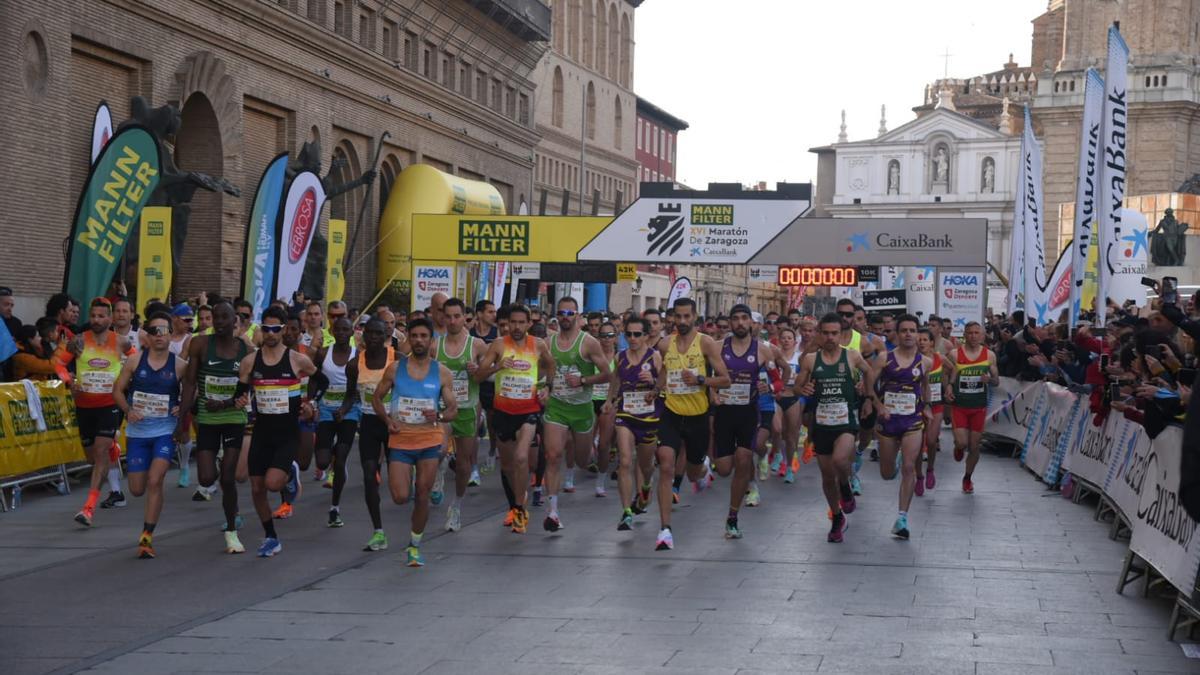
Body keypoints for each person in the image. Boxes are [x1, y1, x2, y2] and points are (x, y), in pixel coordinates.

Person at [371, 318, 457, 567]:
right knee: (400, 496)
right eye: (415, 336)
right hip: (401, 439)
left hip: (429, 439)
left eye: (424, 336)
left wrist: (439, 415)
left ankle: (415, 544)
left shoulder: (441, 372)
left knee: (422, 493)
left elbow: (453, 409)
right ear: (408, 337)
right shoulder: (395, 369)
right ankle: (413, 528)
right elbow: (377, 398)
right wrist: (387, 421)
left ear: (431, 340)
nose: (419, 340)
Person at [236, 306, 317, 557]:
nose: (270, 334)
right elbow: (240, 392)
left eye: (275, 329)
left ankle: (289, 474)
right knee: (257, 488)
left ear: (283, 330)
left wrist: (310, 404)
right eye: (266, 328)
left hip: (286, 433)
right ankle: (271, 536)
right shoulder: (250, 361)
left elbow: (319, 380)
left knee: (273, 484)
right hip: (261, 432)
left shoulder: (297, 360)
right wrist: (239, 400)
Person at [793, 313, 876, 543]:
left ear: (841, 335)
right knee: (827, 476)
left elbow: (869, 372)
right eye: (826, 333)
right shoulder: (811, 360)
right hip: (822, 425)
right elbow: (797, 387)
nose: (830, 337)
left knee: (841, 461)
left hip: (846, 422)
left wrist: (867, 396)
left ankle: (845, 486)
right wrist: (804, 390)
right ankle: (837, 518)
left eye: (834, 333)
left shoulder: (851, 356)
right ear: (820, 334)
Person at [474, 304, 555, 534]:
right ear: (507, 323)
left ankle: (520, 507)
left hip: (528, 410)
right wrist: (497, 366)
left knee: (521, 457)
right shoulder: (499, 345)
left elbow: (551, 364)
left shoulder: (538, 345)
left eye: (522, 322)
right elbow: (479, 375)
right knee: (509, 466)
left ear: (529, 323)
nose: (517, 327)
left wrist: (547, 387)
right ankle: (516, 502)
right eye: (513, 322)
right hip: (503, 412)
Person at [112, 311, 186, 558]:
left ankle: (146, 537)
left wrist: (182, 407)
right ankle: (147, 532)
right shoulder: (134, 362)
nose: (159, 336)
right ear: (147, 335)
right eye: (154, 331)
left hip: (164, 431)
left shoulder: (179, 365)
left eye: (163, 331)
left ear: (170, 334)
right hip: (137, 434)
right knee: (136, 489)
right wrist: (128, 410)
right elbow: (118, 391)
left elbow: (193, 390)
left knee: (155, 480)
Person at [179, 301, 250, 553]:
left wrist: (242, 399)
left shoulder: (245, 349)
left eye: (224, 318)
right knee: (207, 477)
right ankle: (220, 464)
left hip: (234, 418)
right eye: (215, 318)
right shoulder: (199, 344)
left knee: (229, 478)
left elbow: (254, 382)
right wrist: (182, 421)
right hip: (207, 419)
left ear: (235, 323)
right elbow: (189, 384)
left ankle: (232, 531)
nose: (219, 322)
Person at [57, 298, 134, 526]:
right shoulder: (78, 341)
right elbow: (59, 364)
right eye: (94, 316)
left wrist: (124, 381)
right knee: (92, 457)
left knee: (100, 452)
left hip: (110, 405)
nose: (97, 320)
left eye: (102, 316)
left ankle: (88, 509)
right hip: (84, 405)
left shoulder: (120, 342)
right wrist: (68, 380)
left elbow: (136, 361)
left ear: (110, 319)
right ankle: (114, 448)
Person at [712, 305, 787, 538]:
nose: (740, 323)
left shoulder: (764, 351)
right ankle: (735, 475)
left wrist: (771, 387)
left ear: (751, 323)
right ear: (730, 323)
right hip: (724, 412)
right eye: (736, 319)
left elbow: (780, 380)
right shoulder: (717, 347)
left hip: (748, 413)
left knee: (744, 459)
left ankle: (732, 517)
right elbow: (704, 375)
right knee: (724, 469)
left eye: (745, 318)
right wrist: (711, 394)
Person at [541, 296, 612, 531]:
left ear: (578, 316)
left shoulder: (589, 342)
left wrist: (582, 380)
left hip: (581, 409)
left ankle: (588, 449)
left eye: (570, 313)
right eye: (561, 313)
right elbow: (542, 372)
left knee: (583, 462)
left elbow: (606, 374)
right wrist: (544, 387)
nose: (565, 317)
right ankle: (552, 512)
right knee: (552, 456)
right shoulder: (547, 343)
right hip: (557, 407)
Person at [608, 316, 675, 549]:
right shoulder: (620, 357)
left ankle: (645, 487)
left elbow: (666, 384)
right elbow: (614, 381)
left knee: (646, 465)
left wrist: (654, 382)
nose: (633, 339)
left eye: (638, 334)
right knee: (625, 461)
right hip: (626, 414)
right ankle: (626, 511)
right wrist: (609, 401)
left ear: (646, 336)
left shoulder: (654, 357)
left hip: (649, 417)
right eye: (629, 334)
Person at [656, 298, 731, 497]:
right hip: (671, 411)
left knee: (693, 473)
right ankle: (665, 525)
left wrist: (700, 379)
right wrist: (655, 390)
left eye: (686, 316)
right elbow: (664, 370)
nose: (682, 321)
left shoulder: (706, 343)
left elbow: (725, 380)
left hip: (698, 414)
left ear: (694, 317)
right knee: (665, 460)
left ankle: (704, 467)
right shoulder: (664, 344)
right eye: (678, 316)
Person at [873, 314, 933, 540]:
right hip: (888, 420)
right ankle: (893, 463)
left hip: (912, 421)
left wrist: (927, 406)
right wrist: (878, 405)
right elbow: (869, 387)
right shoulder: (883, 358)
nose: (909, 334)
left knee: (910, 466)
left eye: (912, 330)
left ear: (918, 335)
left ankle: (902, 518)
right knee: (887, 474)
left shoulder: (925, 362)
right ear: (897, 335)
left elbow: (925, 387)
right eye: (904, 330)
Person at [436, 298, 484, 532]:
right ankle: (440, 469)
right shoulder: (435, 346)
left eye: (457, 316)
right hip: (443, 407)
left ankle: (456, 505)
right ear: (443, 318)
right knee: (440, 449)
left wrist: (477, 371)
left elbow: (487, 375)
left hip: (466, 408)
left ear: (465, 317)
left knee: (464, 463)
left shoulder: (477, 345)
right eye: (449, 316)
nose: (453, 321)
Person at [310, 316, 359, 528]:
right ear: (332, 330)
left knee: (340, 459)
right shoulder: (323, 353)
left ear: (351, 332)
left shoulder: (358, 357)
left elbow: (356, 388)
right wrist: (312, 402)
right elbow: (314, 378)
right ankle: (332, 458)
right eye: (337, 329)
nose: (341, 333)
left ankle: (335, 508)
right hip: (326, 409)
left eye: (345, 330)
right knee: (322, 461)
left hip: (350, 411)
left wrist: (345, 408)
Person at [354, 319, 396, 552]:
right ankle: (378, 531)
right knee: (369, 476)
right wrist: (342, 410)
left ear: (385, 335)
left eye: (378, 333)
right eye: (369, 333)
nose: (373, 337)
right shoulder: (355, 363)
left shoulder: (397, 358)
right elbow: (352, 393)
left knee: (398, 486)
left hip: (393, 423)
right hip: (369, 423)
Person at [944, 321, 999, 494]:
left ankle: (967, 478)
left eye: (977, 333)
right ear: (964, 335)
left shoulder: (989, 355)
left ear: (982, 335)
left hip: (978, 407)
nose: (973, 336)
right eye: (970, 333)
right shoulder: (954, 354)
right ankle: (958, 447)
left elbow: (997, 381)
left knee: (974, 447)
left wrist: (988, 380)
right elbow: (946, 376)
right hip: (959, 406)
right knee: (962, 442)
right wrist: (948, 387)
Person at [917, 327, 951, 494]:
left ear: (932, 342)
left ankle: (930, 469)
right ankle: (918, 476)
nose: (921, 342)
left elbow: (954, 369)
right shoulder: (912, 359)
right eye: (919, 339)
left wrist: (949, 386)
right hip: (916, 407)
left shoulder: (940, 358)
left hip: (936, 405)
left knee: (931, 441)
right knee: (916, 444)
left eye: (925, 339)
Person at [591, 320, 618, 496]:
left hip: (609, 403)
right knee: (584, 448)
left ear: (616, 338)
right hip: (590, 400)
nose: (606, 339)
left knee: (603, 445)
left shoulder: (620, 357)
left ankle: (600, 480)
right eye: (603, 335)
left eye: (610, 335)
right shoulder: (592, 356)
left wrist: (614, 399)